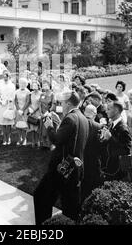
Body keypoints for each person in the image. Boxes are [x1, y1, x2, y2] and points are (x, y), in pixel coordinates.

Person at [34, 91, 89, 225]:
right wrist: (59, 126)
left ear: (68, 103)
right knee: (69, 207)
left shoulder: (70, 118)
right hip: (74, 168)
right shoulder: (82, 117)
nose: (60, 106)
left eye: (62, 103)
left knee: (41, 197)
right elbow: (69, 139)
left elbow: (57, 140)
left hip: (61, 169)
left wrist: (49, 126)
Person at [101, 101, 132, 181]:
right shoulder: (112, 123)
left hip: (117, 167)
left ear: (116, 111)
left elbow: (126, 149)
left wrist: (110, 138)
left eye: (108, 109)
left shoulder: (122, 128)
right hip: (110, 162)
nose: (106, 111)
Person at [0, 71, 16, 145]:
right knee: (2, 123)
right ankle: (4, 138)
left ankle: (9, 138)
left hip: (9, 105)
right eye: (4, 76)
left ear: (9, 77)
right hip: (2, 105)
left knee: (8, 123)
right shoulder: (0, 84)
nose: (5, 77)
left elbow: (13, 95)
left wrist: (9, 101)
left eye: (7, 76)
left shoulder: (12, 85)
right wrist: (1, 101)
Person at [39, 80, 55, 148]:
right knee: (42, 130)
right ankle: (44, 144)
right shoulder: (42, 94)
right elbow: (39, 104)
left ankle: (50, 145)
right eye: (44, 85)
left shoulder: (52, 94)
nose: (45, 86)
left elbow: (53, 104)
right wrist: (40, 113)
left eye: (46, 85)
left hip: (48, 114)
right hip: (42, 114)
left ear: (49, 86)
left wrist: (47, 112)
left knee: (48, 129)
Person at [14, 78, 30, 146]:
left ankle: (24, 139)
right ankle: (19, 138)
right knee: (18, 125)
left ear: (26, 84)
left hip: (25, 110)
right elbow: (15, 101)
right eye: (21, 83)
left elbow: (28, 102)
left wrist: (22, 110)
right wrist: (18, 109)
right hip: (18, 110)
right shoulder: (16, 91)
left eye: (24, 83)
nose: (22, 85)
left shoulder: (28, 92)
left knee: (24, 125)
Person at [28, 81, 42, 148]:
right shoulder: (31, 93)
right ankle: (33, 141)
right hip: (31, 111)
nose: (34, 87)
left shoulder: (41, 94)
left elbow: (40, 104)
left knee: (37, 128)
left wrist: (34, 110)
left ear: (38, 86)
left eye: (35, 85)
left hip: (38, 111)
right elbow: (29, 102)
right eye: (33, 85)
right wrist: (30, 110)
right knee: (32, 128)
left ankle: (38, 141)